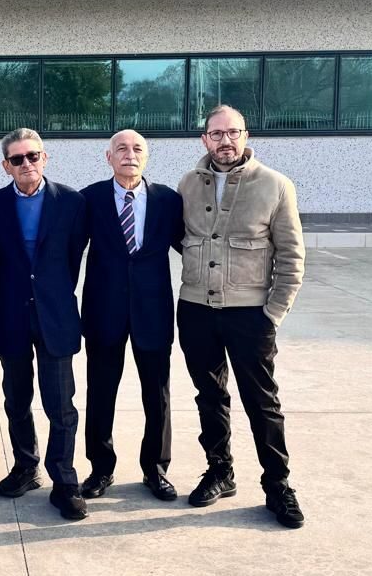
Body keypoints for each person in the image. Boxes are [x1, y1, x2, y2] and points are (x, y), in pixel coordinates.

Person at [177, 104, 307, 528]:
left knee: (262, 401)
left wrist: (272, 314)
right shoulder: (188, 185)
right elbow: (183, 239)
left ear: (246, 136)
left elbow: (291, 256)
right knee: (209, 396)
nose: (225, 141)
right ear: (204, 140)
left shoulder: (275, 185)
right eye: (216, 134)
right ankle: (220, 471)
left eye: (233, 132)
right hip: (196, 310)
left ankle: (278, 485)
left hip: (250, 314)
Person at [0, 128, 89, 521]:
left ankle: (64, 481)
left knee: (60, 404)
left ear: (45, 158)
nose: (26, 163)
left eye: (33, 156)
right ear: (5, 166)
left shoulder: (71, 202)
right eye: (17, 159)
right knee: (16, 399)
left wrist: (49, 291)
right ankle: (26, 467)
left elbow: (72, 256)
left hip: (55, 315)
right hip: (9, 313)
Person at [79, 129, 185, 502]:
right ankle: (100, 468)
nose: (129, 154)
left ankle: (156, 469)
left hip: (152, 312)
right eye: (121, 149)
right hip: (103, 312)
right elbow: (68, 252)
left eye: (137, 148)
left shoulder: (168, 201)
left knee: (158, 396)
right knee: (100, 393)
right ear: (108, 157)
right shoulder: (89, 199)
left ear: (147, 156)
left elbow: (192, 247)